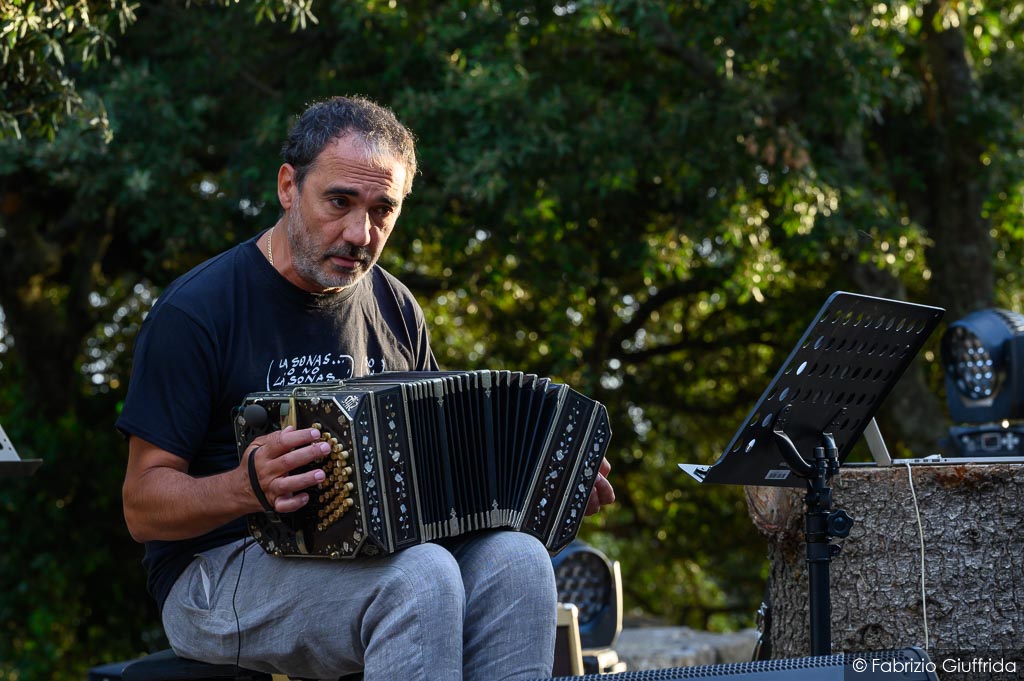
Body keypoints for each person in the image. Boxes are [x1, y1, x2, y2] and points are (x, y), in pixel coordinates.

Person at [118, 95, 615, 681]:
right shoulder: (198, 309)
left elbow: (442, 483)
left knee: (520, 559)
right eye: (340, 201)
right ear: (287, 187)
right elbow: (141, 507)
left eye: (384, 210)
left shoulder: (396, 307)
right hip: (217, 571)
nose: (360, 232)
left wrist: (545, 486)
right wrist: (244, 487)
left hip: (370, 554)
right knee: (420, 578)